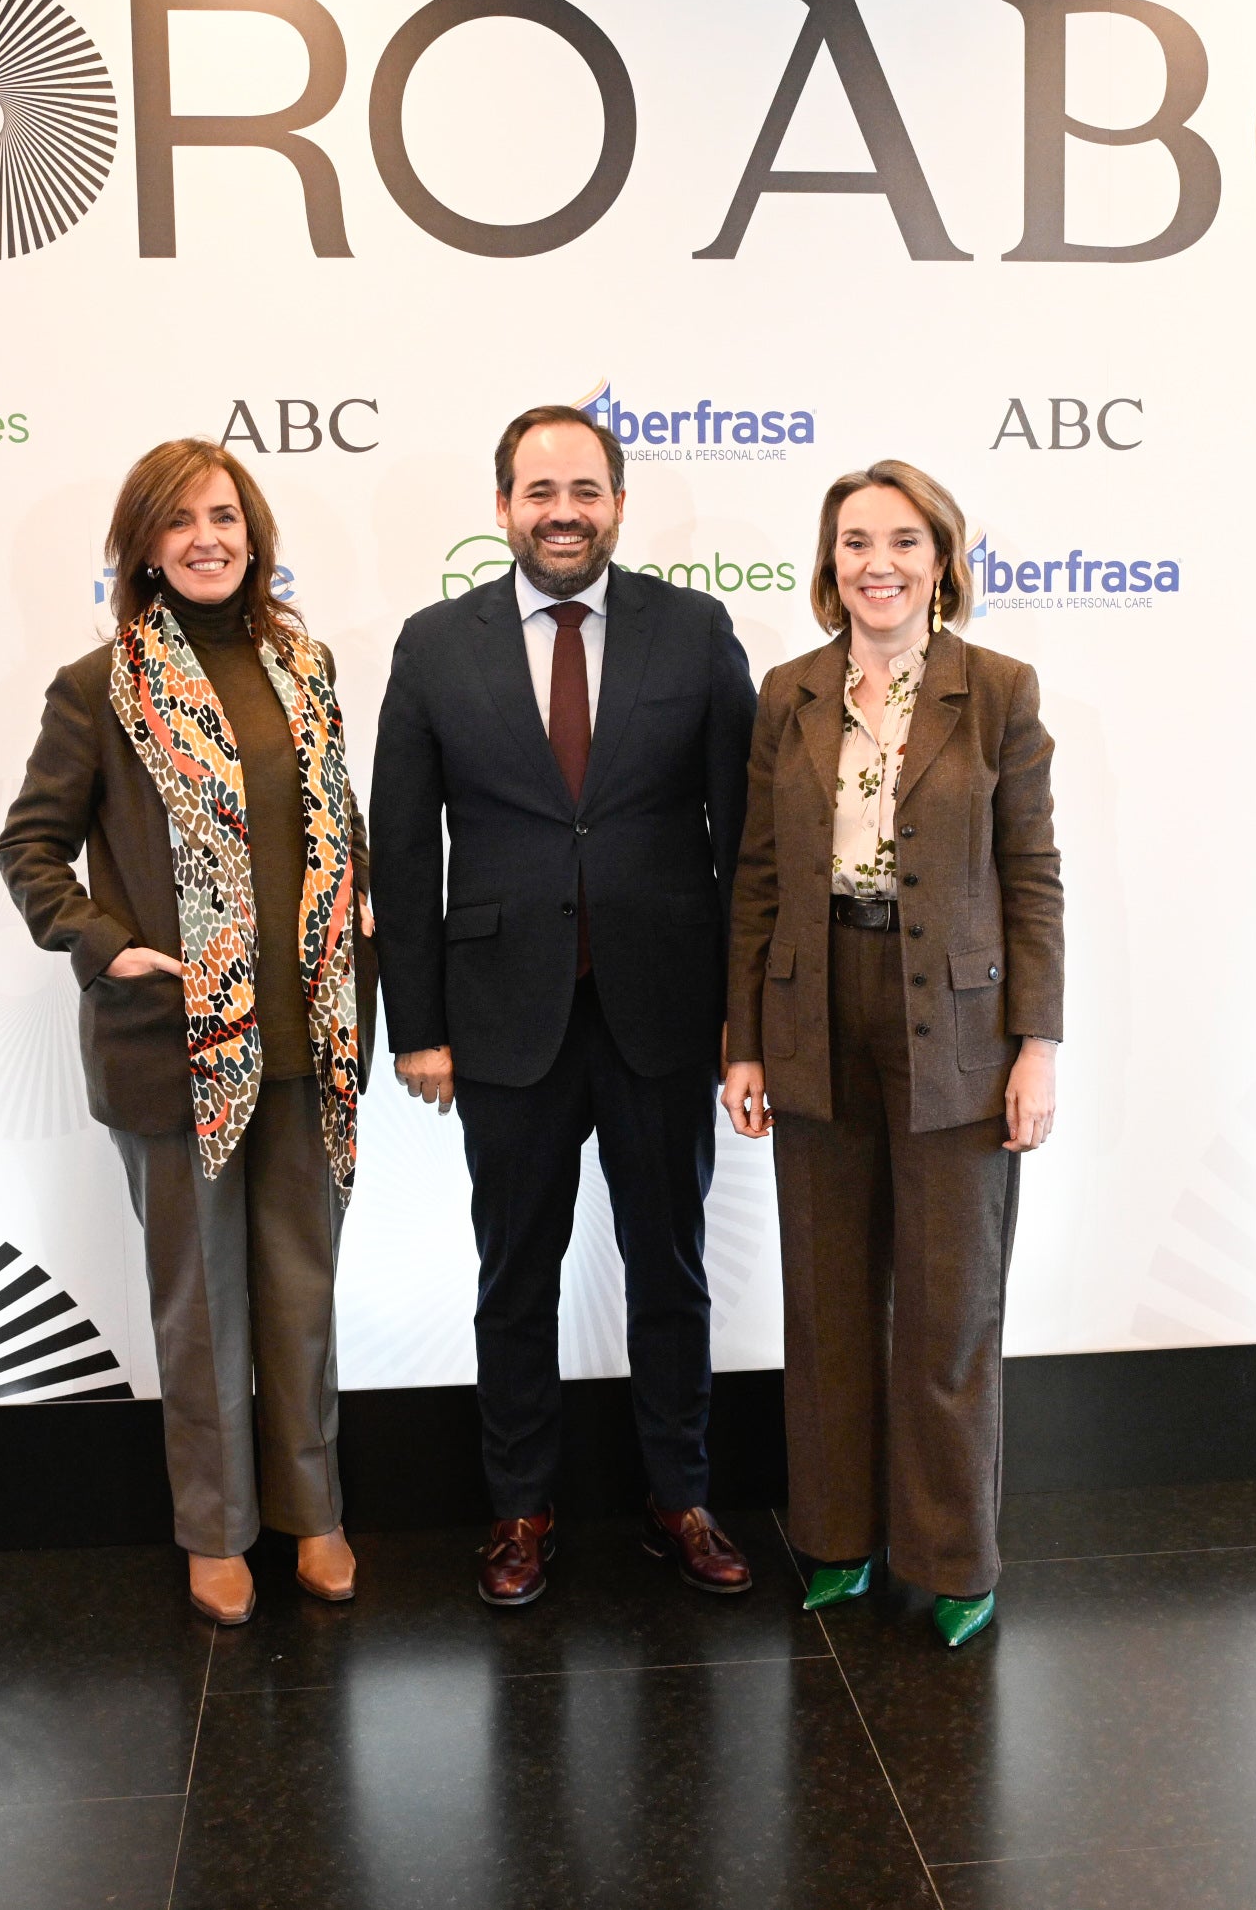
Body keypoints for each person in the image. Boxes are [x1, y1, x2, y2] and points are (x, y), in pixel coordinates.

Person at [371, 404, 761, 1606]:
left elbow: (745, 842)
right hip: (500, 1019)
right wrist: (418, 1022)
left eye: (585, 488)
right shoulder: (435, 643)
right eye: (538, 490)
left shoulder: (695, 632)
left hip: (662, 1010)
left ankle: (680, 1497)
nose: (563, 510)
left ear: (619, 504)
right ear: (501, 508)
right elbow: (401, 843)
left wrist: (743, 1022)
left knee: (673, 1269)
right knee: (514, 1274)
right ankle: (521, 1508)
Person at [0, 438, 373, 1628]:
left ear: (253, 531)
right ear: (144, 545)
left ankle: (314, 1510)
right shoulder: (98, 684)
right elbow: (31, 846)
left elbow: (335, 829)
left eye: (225, 514)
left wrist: (356, 898)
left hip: (308, 1036)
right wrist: (107, 943)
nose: (208, 537)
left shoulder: (303, 666)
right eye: (180, 521)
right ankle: (216, 1529)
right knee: (201, 1303)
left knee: (300, 1295)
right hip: (176, 1049)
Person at [721, 459, 1063, 1649]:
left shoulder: (1001, 690)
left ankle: (954, 1552)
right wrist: (745, 1042)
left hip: (957, 1030)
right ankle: (836, 1540)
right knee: (825, 1299)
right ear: (829, 563)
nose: (879, 562)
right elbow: (758, 875)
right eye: (856, 541)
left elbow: (1032, 878)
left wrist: (1037, 1045)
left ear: (941, 557)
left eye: (904, 541)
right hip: (814, 1011)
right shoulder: (790, 693)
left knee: (949, 1306)